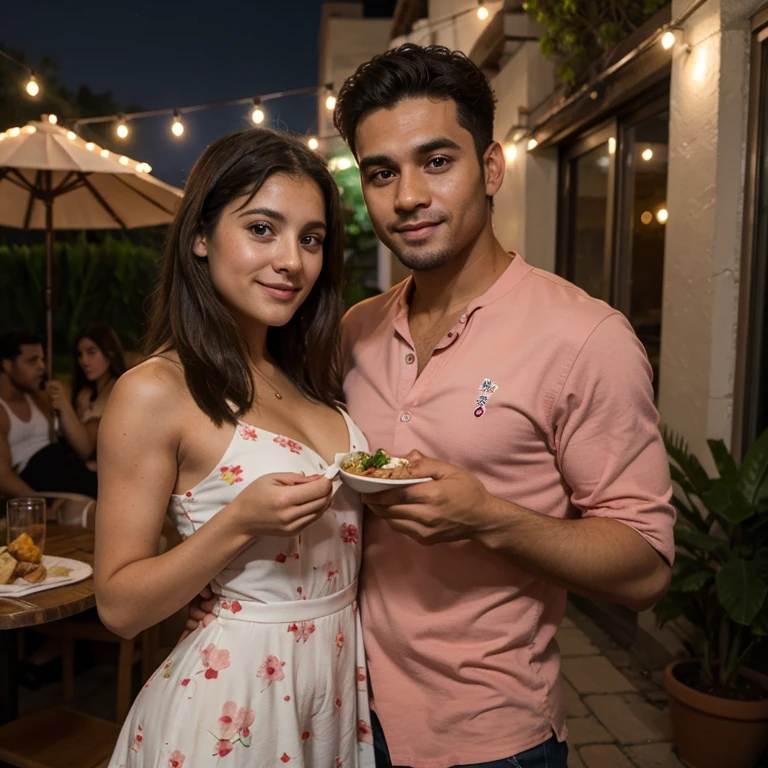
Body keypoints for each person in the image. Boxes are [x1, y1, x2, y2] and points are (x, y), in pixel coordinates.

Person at [188, 44, 675, 768]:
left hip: (488, 737)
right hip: (338, 711)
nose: (407, 195)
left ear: (492, 168)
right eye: (381, 173)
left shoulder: (585, 338)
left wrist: (489, 519)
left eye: (436, 161)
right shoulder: (352, 330)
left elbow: (645, 568)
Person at [96, 128, 375, 767]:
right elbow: (118, 606)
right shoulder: (154, 391)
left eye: (310, 238)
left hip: (329, 690)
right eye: (261, 229)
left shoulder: (306, 375)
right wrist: (237, 524)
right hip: (234, 706)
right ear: (201, 236)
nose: (292, 261)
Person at [0, 329, 98, 499]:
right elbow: (3, 476)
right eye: (32, 361)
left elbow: (83, 449)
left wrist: (64, 405)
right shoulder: (2, 410)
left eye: (42, 359)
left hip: (60, 464)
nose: (42, 367)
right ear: (7, 365)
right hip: (34, 473)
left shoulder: (39, 397)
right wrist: (40, 505)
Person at [44, 322, 126, 467]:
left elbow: (86, 449)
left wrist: (64, 405)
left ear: (110, 353)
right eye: (79, 354)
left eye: (91, 352)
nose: (84, 361)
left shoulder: (117, 390)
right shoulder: (84, 391)